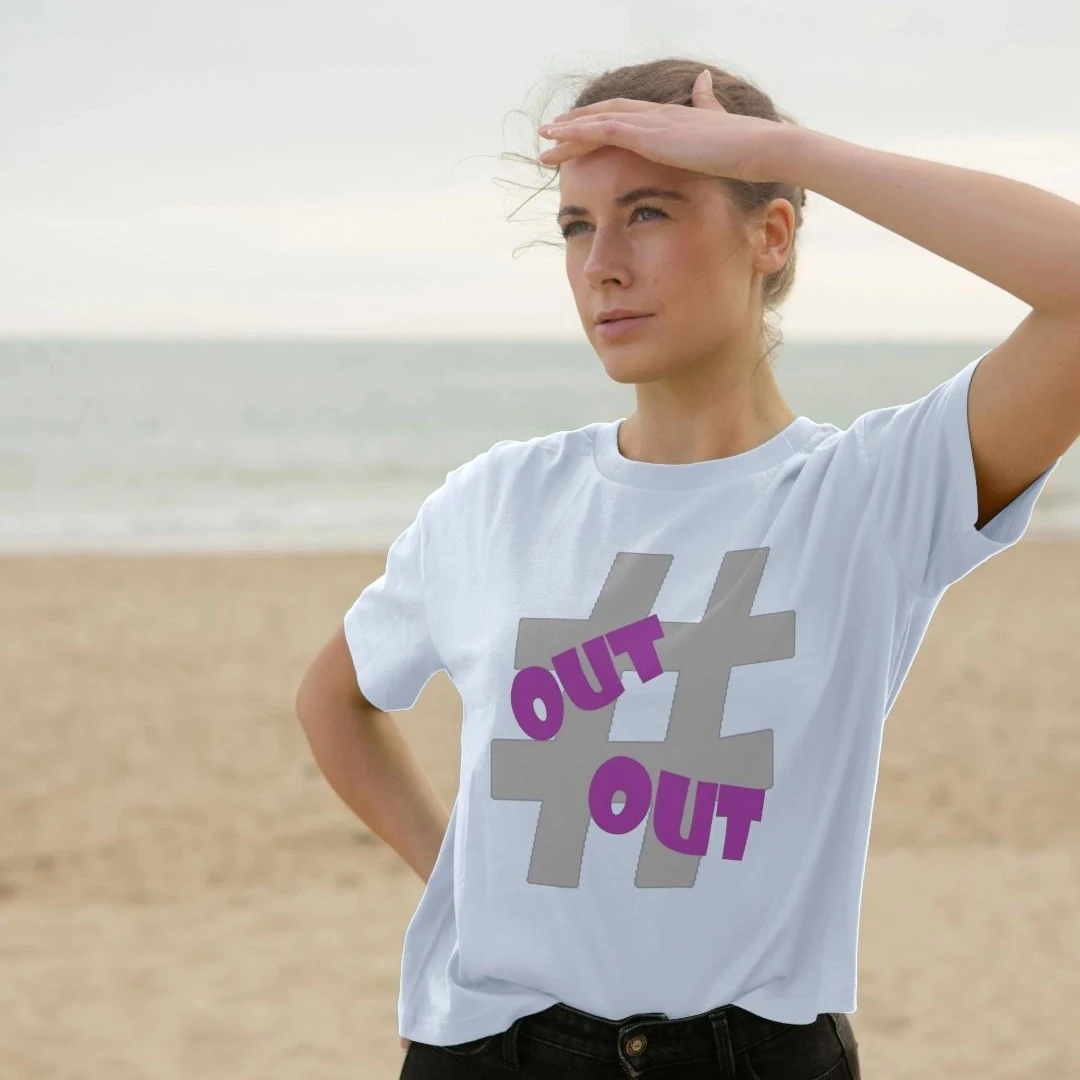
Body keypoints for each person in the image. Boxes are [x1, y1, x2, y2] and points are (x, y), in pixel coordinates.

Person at [295, 56, 1078, 1079]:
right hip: (491, 1051)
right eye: (577, 225)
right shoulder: (496, 501)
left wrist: (786, 152)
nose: (602, 265)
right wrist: (456, 878)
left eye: (649, 213)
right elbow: (335, 700)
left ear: (771, 235)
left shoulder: (870, 494)